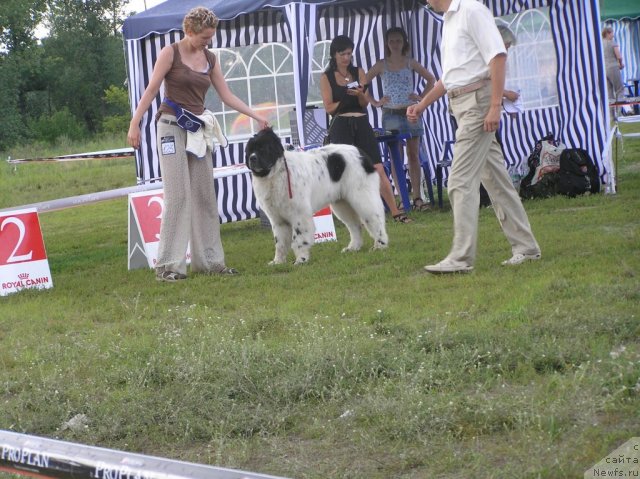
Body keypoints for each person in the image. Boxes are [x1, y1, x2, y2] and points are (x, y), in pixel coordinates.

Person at [127, 7, 269, 282]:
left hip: (198, 130)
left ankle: (211, 263)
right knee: (178, 195)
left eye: (211, 38)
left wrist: (255, 115)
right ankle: (168, 266)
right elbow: (152, 89)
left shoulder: (210, 58)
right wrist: (135, 123)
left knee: (205, 195)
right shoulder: (170, 53)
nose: (208, 42)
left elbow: (226, 95)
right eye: (204, 37)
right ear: (189, 31)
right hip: (170, 127)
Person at [407, 0, 541, 274]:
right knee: (496, 181)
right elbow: (450, 77)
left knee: (459, 180)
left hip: (477, 103)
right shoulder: (448, 20)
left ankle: (461, 257)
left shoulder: (471, 10)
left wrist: (494, 105)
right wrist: (422, 105)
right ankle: (526, 248)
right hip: (462, 103)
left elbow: (498, 56)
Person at [319, 34, 412, 224]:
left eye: (349, 54)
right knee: (346, 172)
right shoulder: (326, 77)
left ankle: (395, 211)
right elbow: (328, 108)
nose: (347, 58)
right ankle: (355, 218)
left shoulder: (358, 71)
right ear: (334, 55)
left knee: (377, 167)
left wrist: (360, 94)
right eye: (343, 54)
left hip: (361, 123)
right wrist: (345, 97)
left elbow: (364, 103)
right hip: (340, 125)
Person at [365, 27, 436, 211]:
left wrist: (421, 97)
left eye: (398, 41)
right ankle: (403, 197)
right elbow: (362, 83)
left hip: (410, 111)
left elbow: (431, 79)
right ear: (387, 44)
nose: (395, 44)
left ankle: (417, 197)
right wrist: (375, 101)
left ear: (404, 42)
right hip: (390, 113)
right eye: (391, 41)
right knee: (395, 156)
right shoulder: (382, 64)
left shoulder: (410, 62)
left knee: (413, 154)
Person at [602, 26, 625, 102]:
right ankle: (619, 111)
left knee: (609, 93)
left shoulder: (600, 43)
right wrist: (621, 64)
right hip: (613, 67)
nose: (613, 35)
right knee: (619, 89)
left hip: (604, 69)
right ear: (608, 33)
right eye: (612, 33)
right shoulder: (612, 43)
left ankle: (611, 113)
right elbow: (619, 56)